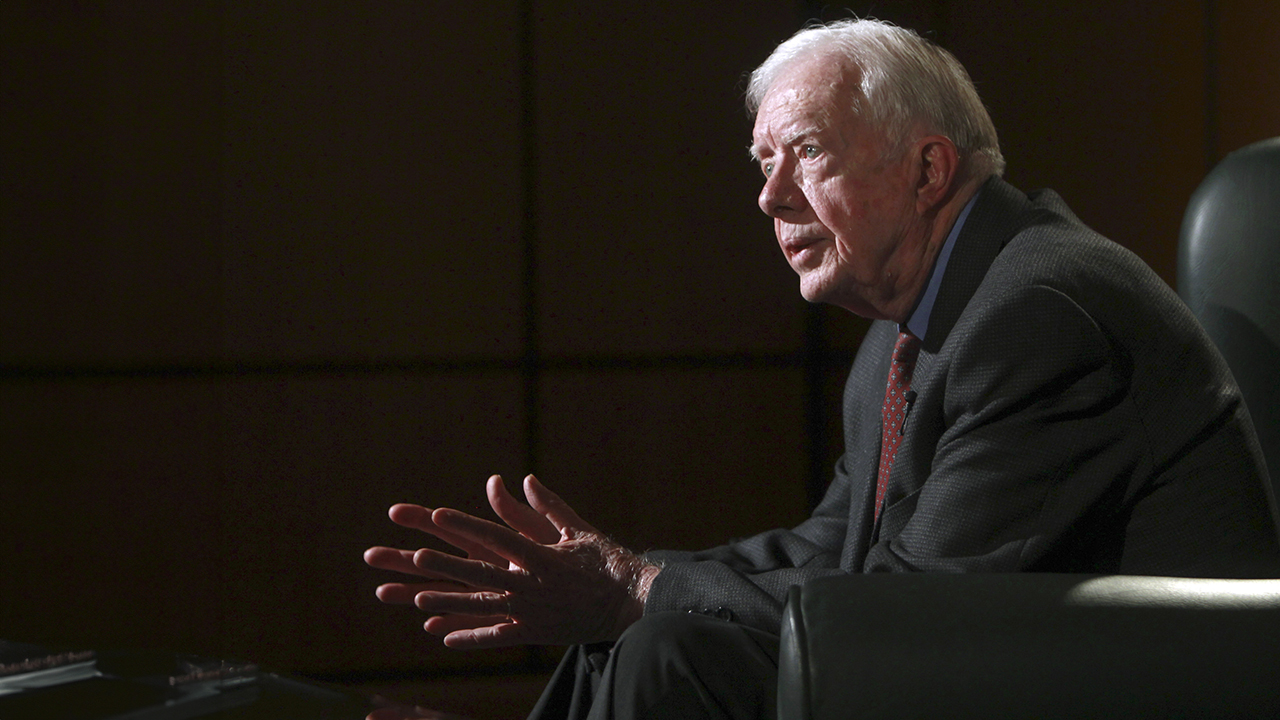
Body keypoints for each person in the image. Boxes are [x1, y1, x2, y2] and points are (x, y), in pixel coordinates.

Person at [364, 18, 1280, 719]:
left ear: (928, 170)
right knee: (639, 631)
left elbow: (913, 611)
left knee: (665, 649)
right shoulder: (908, 325)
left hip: (1136, 686)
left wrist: (636, 592)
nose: (769, 197)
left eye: (804, 153)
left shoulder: (1040, 313)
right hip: (988, 658)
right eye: (763, 164)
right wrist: (616, 578)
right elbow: (831, 551)